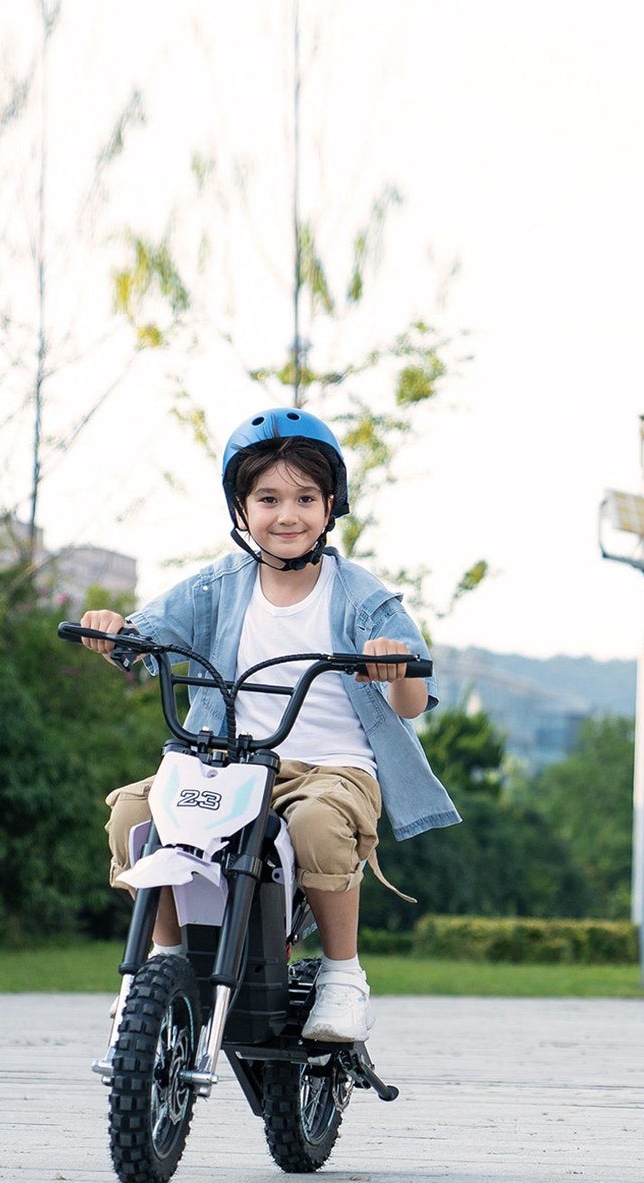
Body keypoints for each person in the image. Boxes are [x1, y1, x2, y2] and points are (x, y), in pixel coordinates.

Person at [79, 406, 460, 1043]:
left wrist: (394, 665)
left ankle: (343, 974)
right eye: (269, 498)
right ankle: (168, 964)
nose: (288, 514)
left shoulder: (364, 597)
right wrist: (112, 629)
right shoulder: (216, 587)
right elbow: (142, 637)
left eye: (306, 498)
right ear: (241, 509)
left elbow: (413, 702)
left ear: (331, 505)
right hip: (226, 762)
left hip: (333, 770)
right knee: (134, 818)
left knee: (315, 826)